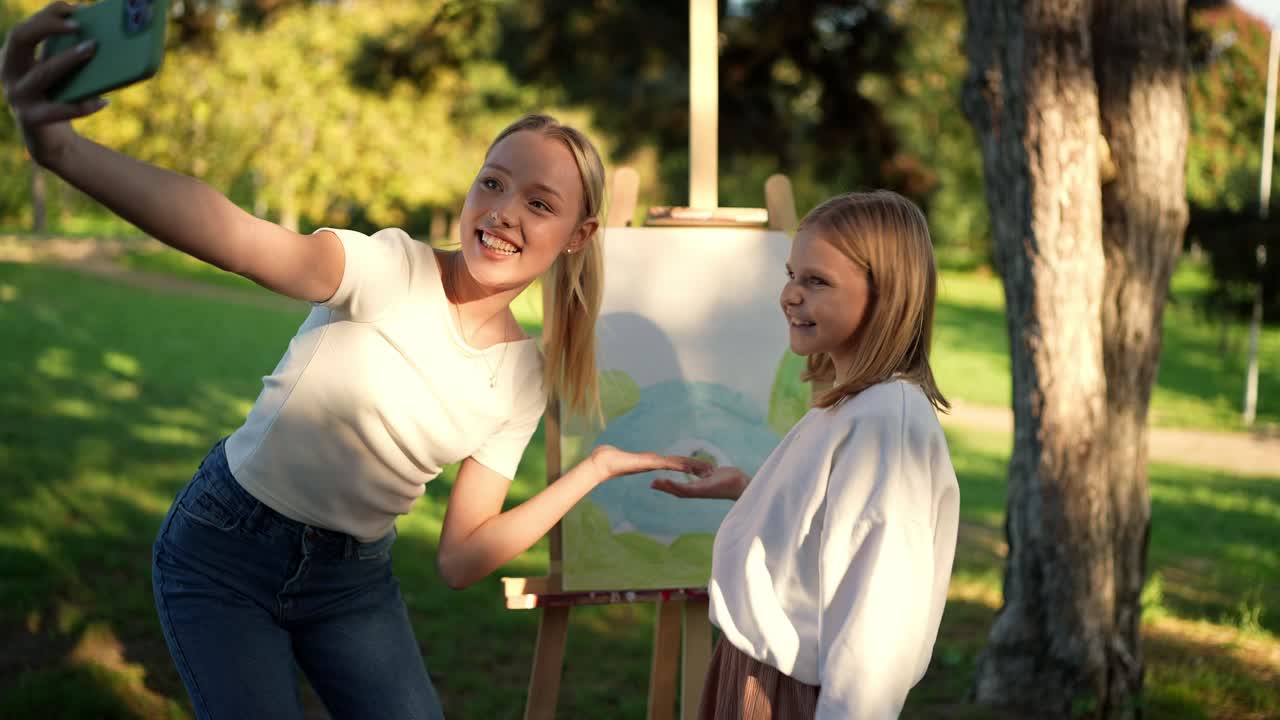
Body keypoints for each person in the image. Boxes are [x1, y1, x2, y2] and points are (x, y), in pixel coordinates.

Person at [2, 5, 708, 718]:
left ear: (580, 235)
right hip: (226, 550)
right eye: (491, 183)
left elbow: (461, 557)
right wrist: (64, 152)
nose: (502, 212)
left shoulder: (523, 378)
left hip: (350, 583)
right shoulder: (387, 266)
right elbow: (238, 237)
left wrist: (593, 469)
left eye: (538, 201)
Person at [653, 191, 961, 719]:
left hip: (788, 697)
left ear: (885, 296)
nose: (790, 296)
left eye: (816, 281)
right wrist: (752, 492)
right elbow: (828, 539)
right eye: (792, 274)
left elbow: (876, 626)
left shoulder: (887, 422)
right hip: (757, 678)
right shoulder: (854, 406)